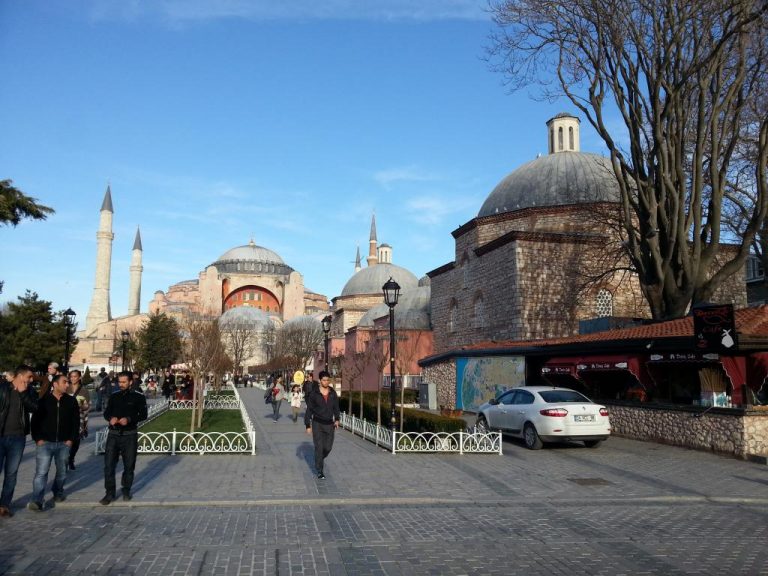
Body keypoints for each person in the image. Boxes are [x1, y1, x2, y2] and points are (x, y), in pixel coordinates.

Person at [27, 374, 79, 511]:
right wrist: (38, 439)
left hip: (64, 444)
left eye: (67, 382)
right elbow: (35, 422)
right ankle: (37, 500)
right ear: (55, 384)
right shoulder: (43, 401)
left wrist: (70, 440)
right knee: (41, 472)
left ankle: (58, 492)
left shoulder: (71, 401)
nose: (67, 384)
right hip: (45, 443)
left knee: (62, 472)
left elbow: (75, 422)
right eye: (64, 382)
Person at [100, 371, 148, 505]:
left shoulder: (138, 397)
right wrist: (110, 418)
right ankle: (109, 493)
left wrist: (129, 419)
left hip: (129, 435)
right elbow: (107, 412)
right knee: (109, 466)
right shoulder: (114, 396)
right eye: (119, 382)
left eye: (124, 382)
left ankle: (126, 490)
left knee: (129, 465)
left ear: (130, 382)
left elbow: (143, 415)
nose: (121, 384)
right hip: (113, 435)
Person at [0, 366, 39, 517]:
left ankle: (4, 505)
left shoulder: (29, 391)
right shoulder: (3, 388)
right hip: (1, 435)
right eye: (29, 377)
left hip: (18, 438)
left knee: (11, 474)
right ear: (20, 375)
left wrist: (23, 394)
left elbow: (35, 408)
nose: (31, 380)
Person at [304, 371, 340, 479]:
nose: (326, 382)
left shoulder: (333, 393)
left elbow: (336, 408)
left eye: (328, 380)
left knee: (328, 448)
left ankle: (319, 458)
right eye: (324, 380)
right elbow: (309, 410)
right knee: (319, 448)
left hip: (329, 424)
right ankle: (319, 470)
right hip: (317, 424)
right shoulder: (314, 394)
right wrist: (307, 425)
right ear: (320, 381)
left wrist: (337, 419)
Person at [67, 370, 90, 470]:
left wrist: (81, 407)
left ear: (79, 377)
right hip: (66, 418)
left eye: (75, 376)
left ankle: (71, 458)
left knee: (76, 441)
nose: (73, 378)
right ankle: (64, 459)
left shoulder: (84, 391)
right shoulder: (66, 389)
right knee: (66, 440)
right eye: (71, 376)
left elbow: (88, 405)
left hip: (79, 419)